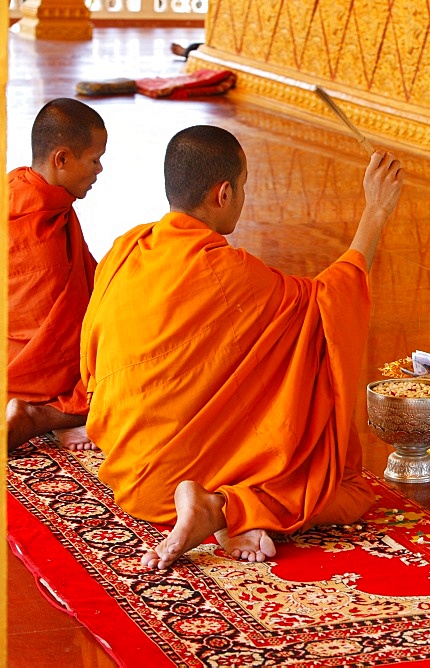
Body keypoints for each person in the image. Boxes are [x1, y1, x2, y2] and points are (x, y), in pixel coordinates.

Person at [80, 125, 403, 569]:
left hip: (129, 472)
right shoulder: (225, 272)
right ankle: (223, 509)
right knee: (347, 491)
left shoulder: (126, 248)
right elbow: (325, 304)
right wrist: (376, 212)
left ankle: (219, 508)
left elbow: (92, 360)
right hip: (172, 479)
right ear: (224, 193)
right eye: (246, 185)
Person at [7, 98, 107, 451]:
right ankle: (42, 416)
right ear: (61, 159)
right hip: (22, 375)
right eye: (94, 159)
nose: (99, 170)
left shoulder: (19, 190)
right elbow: (63, 339)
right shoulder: (43, 229)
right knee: (137, 379)